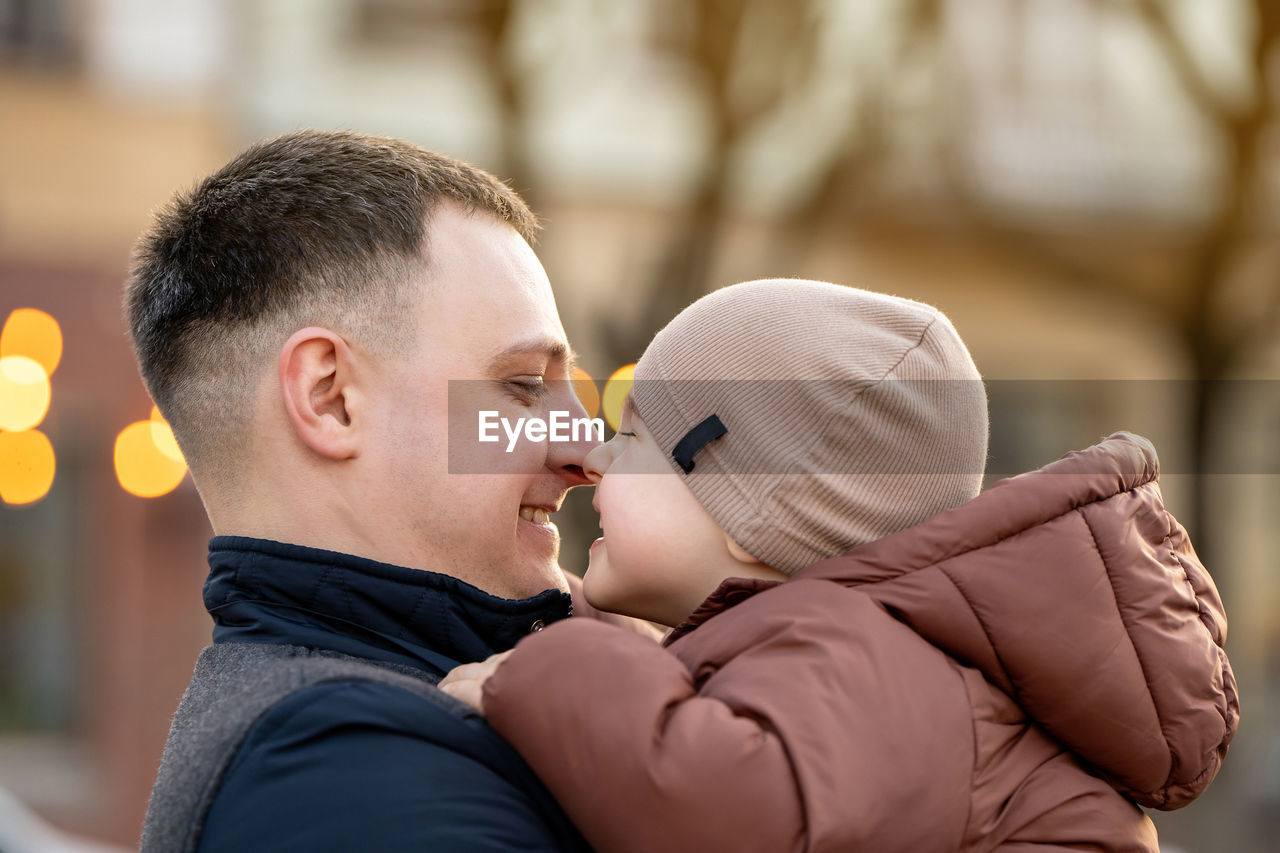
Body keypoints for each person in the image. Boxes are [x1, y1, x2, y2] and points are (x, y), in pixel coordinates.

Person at [441, 279, 1240, 852]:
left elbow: (722, 809)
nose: (595, 458)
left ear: (764, 510)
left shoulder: (861, 651)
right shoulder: (850, 649)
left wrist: (545, 670)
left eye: (636, 436)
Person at [129, 129, 638, 851]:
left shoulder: (345, 733)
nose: (590, 451)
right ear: (330, 396)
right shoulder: (343, 768)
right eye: (525, 385)